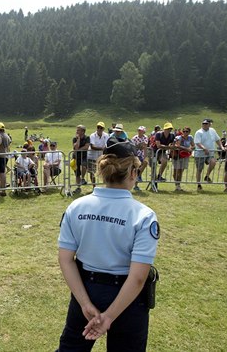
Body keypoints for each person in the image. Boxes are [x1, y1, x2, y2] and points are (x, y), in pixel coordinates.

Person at [56, 140, 159, 351]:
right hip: (127, 299)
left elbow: (65, 259)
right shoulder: (143, 215)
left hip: (85, 289)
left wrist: (84, 303)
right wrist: (109, 316)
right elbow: (138, 277)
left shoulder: (76, 207)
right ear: (132, 173)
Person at [194, 118, 223, 190]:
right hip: (200, 154)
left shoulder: (212, 130)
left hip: (210, 153)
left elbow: (217, 139)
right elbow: (197, 143)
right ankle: (198, 185)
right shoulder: (199, 132)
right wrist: (204, 148)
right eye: (203, 123)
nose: (204, 125)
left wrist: (221, 146)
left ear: (210, 124)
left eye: (206, 124)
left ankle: (207, 176)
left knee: (213, 162)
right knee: (199, 170)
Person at [172, 127, 194, 191]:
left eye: (187, 131)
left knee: (181, 171)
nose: (185, 133)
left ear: (189, 132)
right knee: (175, 171)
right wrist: (187, 149)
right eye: (184, 131)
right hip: (177, 156)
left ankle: (178, 185)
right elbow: (178, 145)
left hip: (185, 156)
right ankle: (177, 184)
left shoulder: (190, 137)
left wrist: (191, 149)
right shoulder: (179, 137)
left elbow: (193, 145)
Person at [88, 122, 109, 187]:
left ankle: (106, 185)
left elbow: (106, 145)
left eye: (101, 128)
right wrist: (103, 149)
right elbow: (92, 147)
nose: (99, 129)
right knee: (92, 172)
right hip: (92, 156)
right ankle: (94, 187)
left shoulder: (106, 135)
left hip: (101, 157)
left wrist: (104, 149)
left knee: (105, 171)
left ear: (103, 129)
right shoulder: (92, 135)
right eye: (98, 127)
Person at [72, 125, 90, 193]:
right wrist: (78, 139)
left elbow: (87, 147)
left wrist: (78, 150)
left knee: (83, 166)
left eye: (78, 130)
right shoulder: (74, 138)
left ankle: (82, 179)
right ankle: (78, 187)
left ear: (83, 131)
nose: (76, 131)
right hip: (76, 157)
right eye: (77, 130)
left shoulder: (87, 137)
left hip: (84, 157)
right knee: (77, 173)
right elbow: (75, 147)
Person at [131, 126, 149, 191]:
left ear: (144, 131)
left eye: (141, 130)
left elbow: (145, 147)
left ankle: (138, 177)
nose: (139, 131)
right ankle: (135, 185)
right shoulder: (134, 138)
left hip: (142, 155)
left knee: (145, 163)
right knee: (136, 168)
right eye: (139, 130)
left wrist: (145, 156)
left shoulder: (145, 137)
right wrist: (140, 145)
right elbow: (133, 147)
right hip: (135, 155)